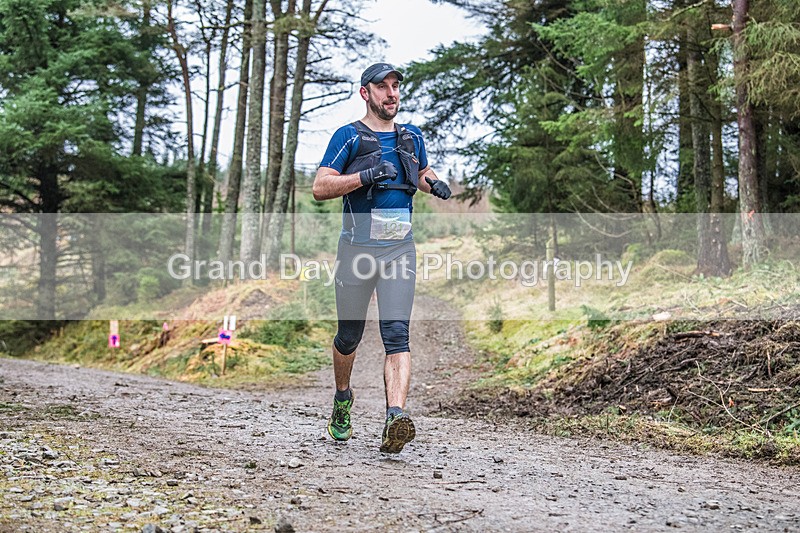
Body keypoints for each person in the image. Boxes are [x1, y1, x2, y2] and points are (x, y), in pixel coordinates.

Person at [312, 62, 452, 453]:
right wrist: (365, 176)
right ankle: (343, 399)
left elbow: (420, 171)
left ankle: (395, 418)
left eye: (396, 87)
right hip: (356, 251)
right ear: (365, 93)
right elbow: (320, 187)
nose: (392, 93)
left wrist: (434, 183)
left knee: (396, 334)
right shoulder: (349, 137)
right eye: (382, 87)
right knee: (349, 336)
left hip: (398, 250)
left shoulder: (412, 137)